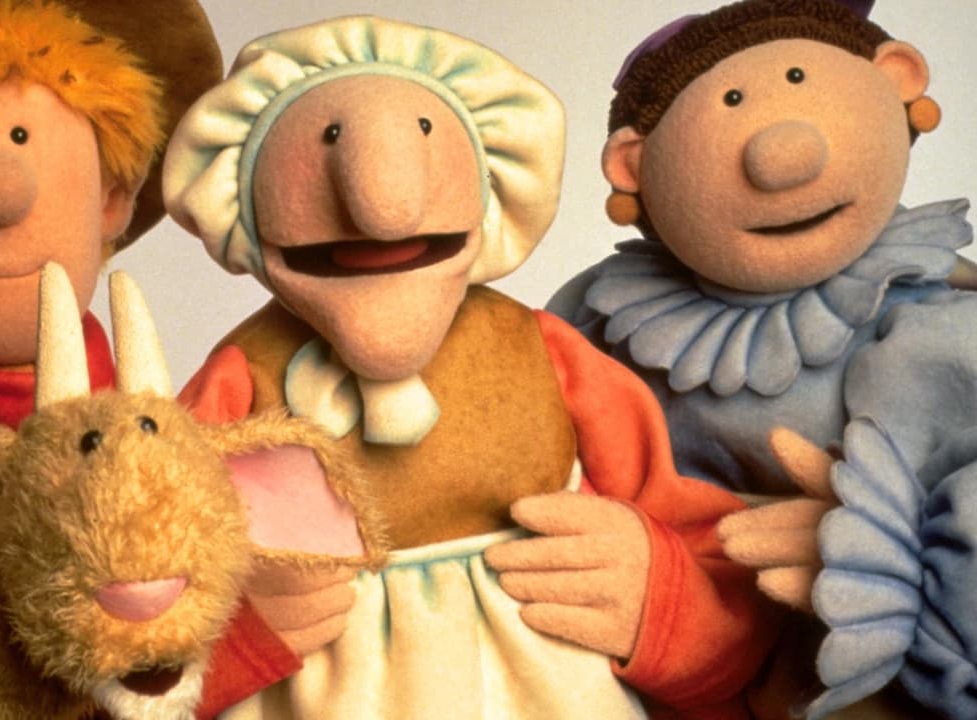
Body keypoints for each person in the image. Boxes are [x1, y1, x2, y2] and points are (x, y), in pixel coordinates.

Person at [164, 15, 778, 719]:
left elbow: (700, 537)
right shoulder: (241, 379)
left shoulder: (543, 352)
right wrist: (223, 639)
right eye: (328, 139)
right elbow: (140, 579)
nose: (381, 211)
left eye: (424, 132)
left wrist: (661, 602)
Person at [546, 0, 976, 715]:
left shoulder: (941, 318)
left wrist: (885, 552)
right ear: (632, 168)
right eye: (733, 103)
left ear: (898, 79)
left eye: (800, 79)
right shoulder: (599, 322)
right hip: (677, 646)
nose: (780, 158)